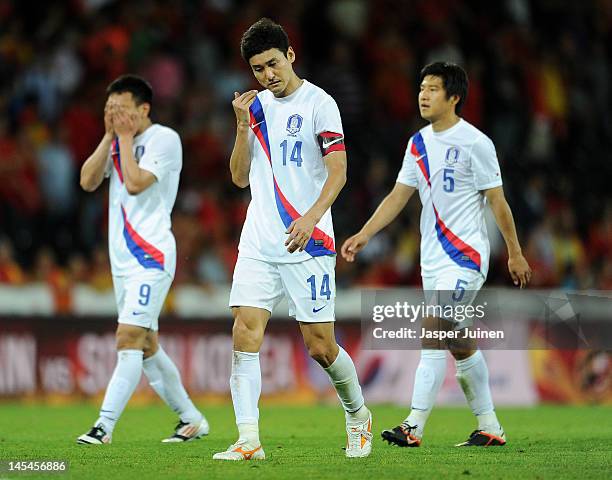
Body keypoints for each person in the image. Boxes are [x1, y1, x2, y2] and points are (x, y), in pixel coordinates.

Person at [342, 62, 532, 448]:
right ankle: (490, 426)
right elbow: (398, 196)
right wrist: (364, 233)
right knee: (459, 341)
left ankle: (413, 426)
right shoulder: (418, 144)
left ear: (454, 97)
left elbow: (497, 201)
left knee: (433, 329)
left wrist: (514, 252)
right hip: (433, 260)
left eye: (432, 89)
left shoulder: (476, 143)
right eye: (421, 88)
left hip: (466, 257)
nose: (423, 95)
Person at [213, 18, 372, 461]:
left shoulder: (321, 103)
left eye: (273, 64)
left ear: (291, 56)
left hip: (310, 241)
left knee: (320, 346)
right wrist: (242, 127)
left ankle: (358, 414)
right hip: (261, 242)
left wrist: (310, 217)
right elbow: (239, 177)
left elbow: (338, 171)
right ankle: (249, 440)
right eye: (258, 69)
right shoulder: (256, 109)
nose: (268, 75)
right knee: (244, 330)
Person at [77, 75, 208, 444]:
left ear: (143, 109)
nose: (114, 114)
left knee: (129, 336)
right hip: (122, 261)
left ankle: (103, 426)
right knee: (146, 344)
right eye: (109, 109)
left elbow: (135, 184)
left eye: (120, 109)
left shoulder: (164, 139)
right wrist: (109, 137)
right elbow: (87, 181)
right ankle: (191, 419)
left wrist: (122, 138)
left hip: (151, 255)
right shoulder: (117, 140)